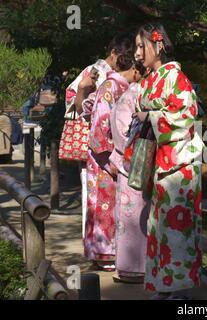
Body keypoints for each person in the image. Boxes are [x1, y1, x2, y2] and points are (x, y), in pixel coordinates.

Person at [133, 23, 205, 299]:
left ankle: (180, 289)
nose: (138, 54)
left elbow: (185, 117)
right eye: (137, 47)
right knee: (161, 228)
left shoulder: (177, 78)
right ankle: (166, 285)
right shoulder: (154, 78)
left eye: (142, 46)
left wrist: (149, 116)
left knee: (177, 230)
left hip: (179, 166)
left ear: (157, 45)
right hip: (162, 162)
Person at [64, 33, 134, 241]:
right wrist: (83, 90)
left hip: (116, 143)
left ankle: (109, 247)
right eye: (124, 55)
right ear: (113, 52)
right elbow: (76, 108)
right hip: (98, 145)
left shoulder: (122, 75)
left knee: (111, 198)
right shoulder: (93, 72)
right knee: (95, 198)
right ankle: (100, 247)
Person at [84, 51, 140, 271]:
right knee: (104, 206)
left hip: (115, 156)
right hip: (105, 158)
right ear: (135, 69)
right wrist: (111, 161)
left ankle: (110, 254)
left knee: (111, 206)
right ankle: (105, 254)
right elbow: (99, 129)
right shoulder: (111, 87)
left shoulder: (120, 87)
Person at [109, 61, 149, 283]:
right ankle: (135, 268)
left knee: (129, 219)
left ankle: (129, 267)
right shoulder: (138, 93)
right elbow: (128, 132)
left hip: (127, 161)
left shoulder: (129, 93)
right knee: (135, 219)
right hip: (134, 162)